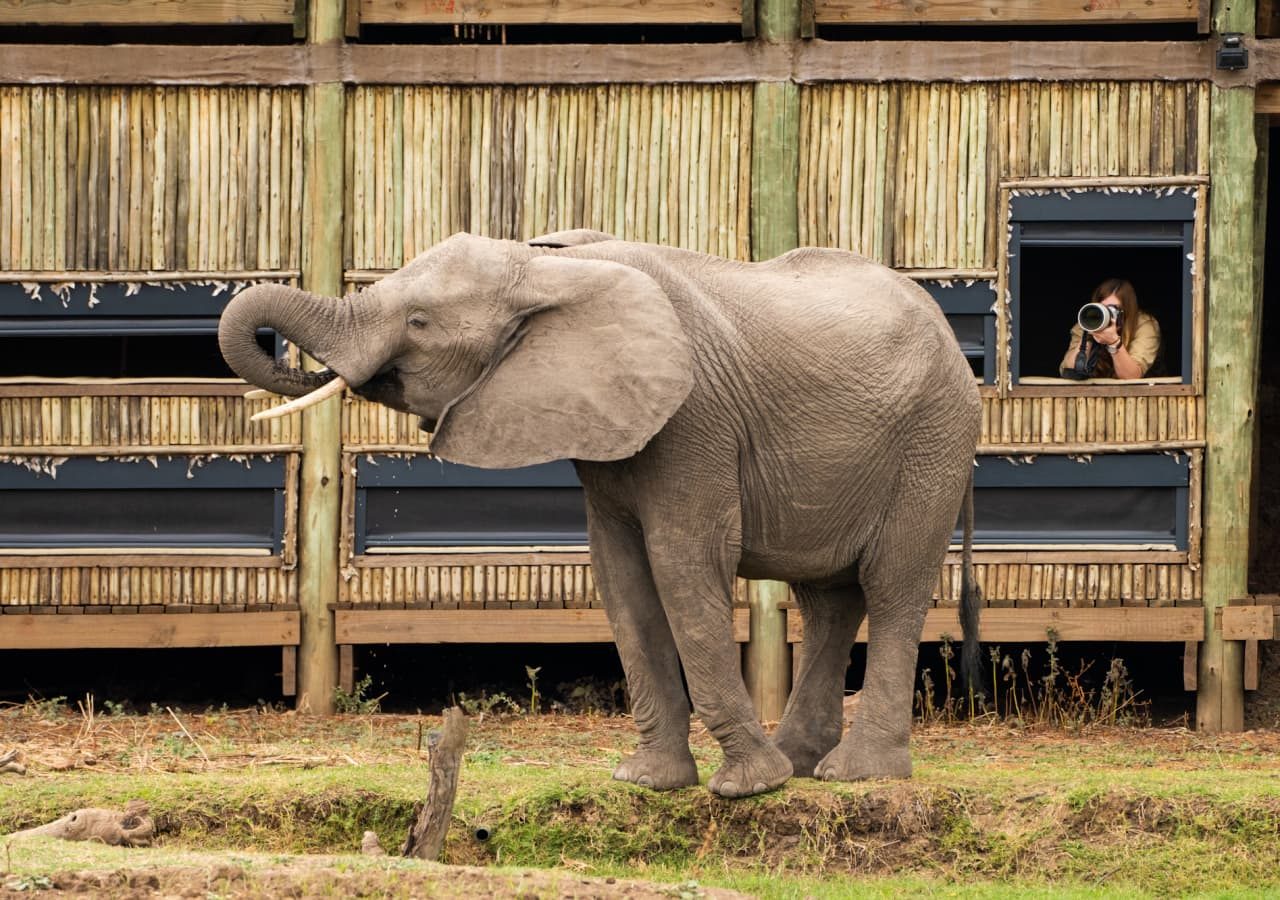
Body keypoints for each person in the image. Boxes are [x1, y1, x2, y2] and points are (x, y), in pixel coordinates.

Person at [1059, 278, 1161, 380]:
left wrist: (1114, 343)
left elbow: (1131, 376)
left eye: (1112, 309)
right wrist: (1089, 336)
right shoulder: (1086, 323)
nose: (1106, 314)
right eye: (1102, 308)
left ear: (1125, 310)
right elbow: (1070, 370)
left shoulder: (1143, 324)